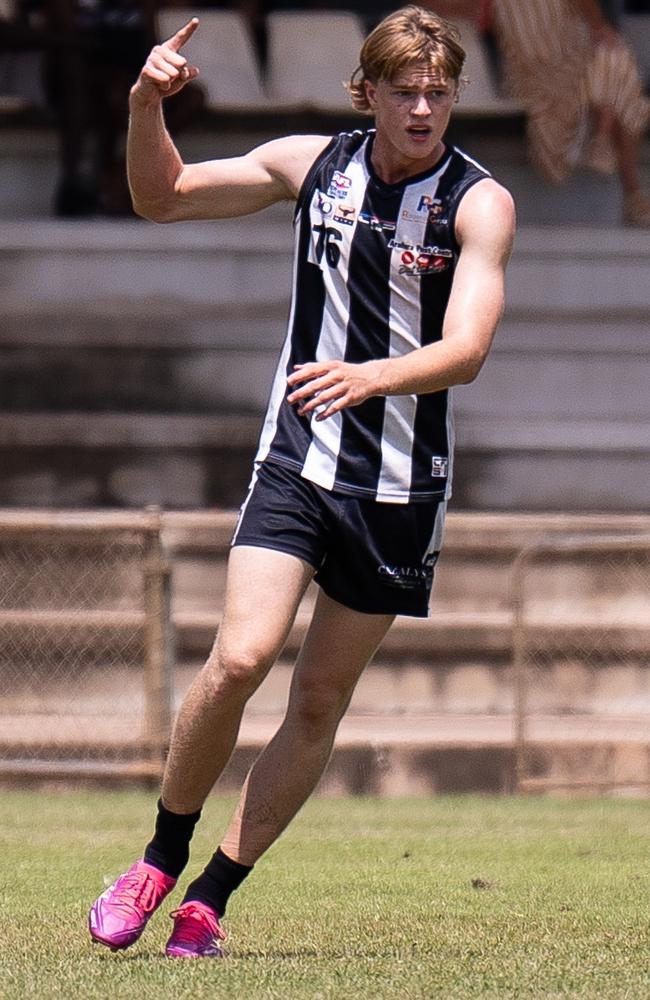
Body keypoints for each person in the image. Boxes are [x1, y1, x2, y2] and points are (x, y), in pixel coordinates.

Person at [88, 4, 515, 958]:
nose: (420, 111)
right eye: (403, 93)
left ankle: (211, 898)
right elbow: (163, 197)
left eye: (437, 95)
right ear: (367, 92)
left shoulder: (477, 203)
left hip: (401, 486)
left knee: (318, 700)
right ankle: (159, 856)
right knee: (241, 658)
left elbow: (470, 348)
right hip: (297, 461)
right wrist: (144, 108)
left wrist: (372, 376)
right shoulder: (312, 165)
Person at [489, 0, 650, 225]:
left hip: (568, 53)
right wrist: (599, 26)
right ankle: (630, 187)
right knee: (614, 62)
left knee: (613, 62)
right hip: (534, 68)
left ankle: (604, 139)